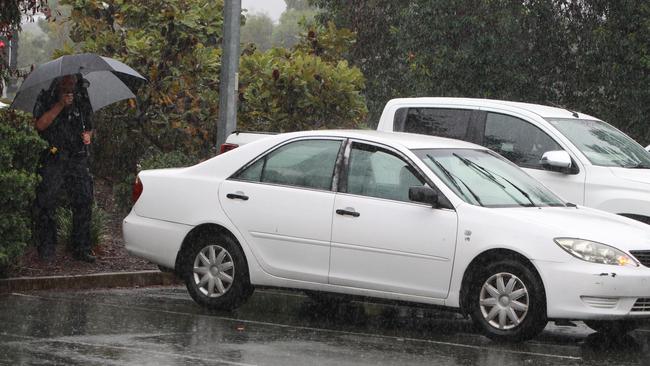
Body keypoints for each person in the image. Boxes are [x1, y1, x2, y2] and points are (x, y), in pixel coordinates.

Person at [32, 74, 96, 263]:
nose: (70, 86)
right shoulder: (47, 97)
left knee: (83, 200)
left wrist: (88, 135)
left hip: (77, 157)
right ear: (59, 82)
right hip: (54, 156)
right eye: (66, 82)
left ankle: (81, 247)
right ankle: (46, 248)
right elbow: (40, 125)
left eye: (73, 82)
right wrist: (59, 105)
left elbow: (90, 126)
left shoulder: (82, 98)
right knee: (47, 202)